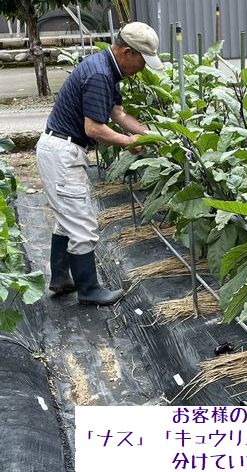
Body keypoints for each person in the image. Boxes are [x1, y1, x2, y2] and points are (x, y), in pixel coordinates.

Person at [36, 22, 164, 306]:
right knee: (82, 223)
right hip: (63, 152)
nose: (142, 68)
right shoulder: (99, 75)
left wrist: (150, 134)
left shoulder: (106, 68)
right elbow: (94, 128)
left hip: (59, 149)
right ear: (127, 52)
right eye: (142, 61)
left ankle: (60, 279)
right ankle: (90, 290)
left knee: (66, 219)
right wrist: (129, 143)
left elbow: (117, 113)